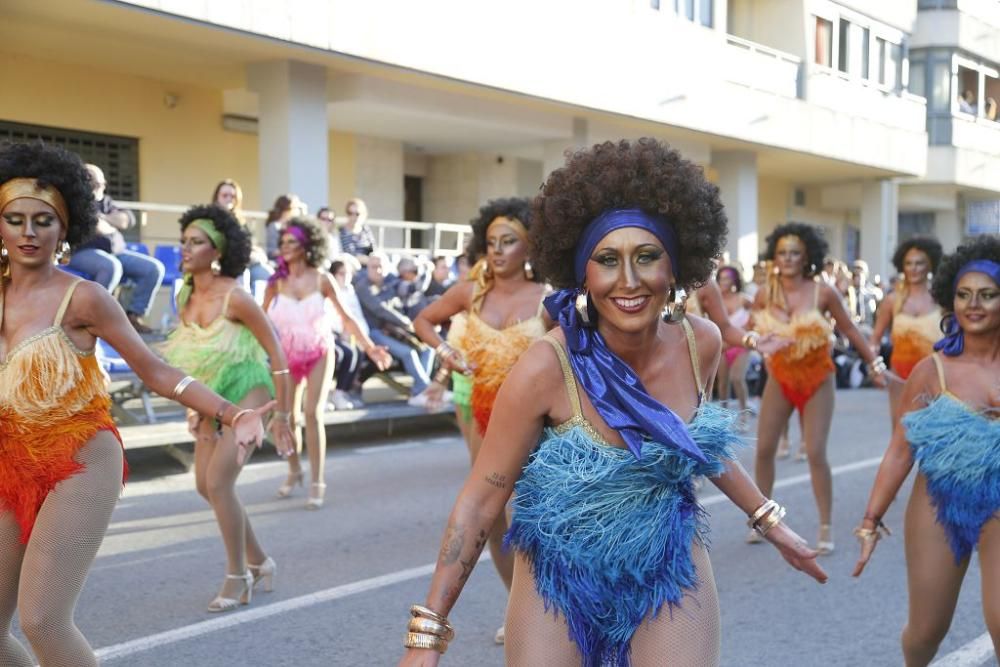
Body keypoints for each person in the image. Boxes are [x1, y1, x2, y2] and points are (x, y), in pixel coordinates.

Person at [398, 139, 826, 667]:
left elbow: (690, 441)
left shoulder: (702, 343)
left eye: (647, 257)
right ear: (582, 273)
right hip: (557, 574)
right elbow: (482, 499)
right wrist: (428, 633)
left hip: (666, 561)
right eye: (607, 260)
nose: (628, 280)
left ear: (677, 268)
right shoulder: (545, 367)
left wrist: (768, 519)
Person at [0, 142, 278, 666]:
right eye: (15, 219)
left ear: (66, 228)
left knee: (42, 620)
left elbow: (157, 370)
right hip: (12, 462)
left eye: (44, 220)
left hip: (80, 458)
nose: (29, 232)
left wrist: (232, 412)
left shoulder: (83, 297)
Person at [853, 235, 1000, 666]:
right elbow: (900, 451)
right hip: (939, 504)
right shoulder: (930, 371)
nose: (974, 305)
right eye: (964, 295)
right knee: (925, 631)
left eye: (988, 296)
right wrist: (869, 521)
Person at [412, 197, 549, 644]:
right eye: (490, 242)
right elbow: (424, 320)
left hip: (537, 421)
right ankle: (517, 607)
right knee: (490, 516)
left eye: (508, 241)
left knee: (524, 514)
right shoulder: (471, 292)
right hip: (483, 412)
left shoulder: (548, 299)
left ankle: (544, 608)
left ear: (530, 246)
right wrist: (445, 352)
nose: (497, 250)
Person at [159, 204, 296, 613]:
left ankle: (239, 576)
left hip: (250, 393)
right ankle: (260, 559)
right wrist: (196, 408)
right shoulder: (184, 294)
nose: (186, 248)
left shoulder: (236, 297)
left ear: (216, 250)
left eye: (196, 242)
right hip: (213, 399)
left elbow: (278, 355)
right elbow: (194, 361)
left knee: (219, 484)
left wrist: (283, 417)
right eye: (184, 241)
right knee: (206, 485)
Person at [750, 223, 890, 555]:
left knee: (815, 452)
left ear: (807, 256)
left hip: (818, 380)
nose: (787, 258)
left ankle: (825, 525)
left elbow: (851, 331)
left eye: (795, 253)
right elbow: (749, 332)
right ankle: (762, 519)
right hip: (780, 378)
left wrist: (874, 363)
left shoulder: (822, 292)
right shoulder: (764, 293)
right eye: (782, 252)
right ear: (774, 256)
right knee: (765, 448)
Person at [263, 218, 390, 509]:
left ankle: (318, 481)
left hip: (320, 350)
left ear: (308, 246)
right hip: (286, 355)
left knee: (312, 414)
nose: (286, 247)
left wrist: (370, 348)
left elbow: (346, 318)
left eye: (292, 242)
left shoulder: (322, 278)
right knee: (286, 417)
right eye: (283, 243)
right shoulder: (276, 282)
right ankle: (294, 470)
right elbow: (259, 319)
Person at [66, 163, 165, 333]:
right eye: (97, 182)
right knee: (111, 266)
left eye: (102, 183)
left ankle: (132, 317)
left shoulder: (106, 202)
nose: (101, 186)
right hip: (83, 253)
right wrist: (110, 223)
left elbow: (126, 220)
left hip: (116, 252)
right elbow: (97, 227)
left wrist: (104, 218)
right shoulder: (77, 201)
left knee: (153, 268)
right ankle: (92, 318)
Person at [868, 237, 944, 424]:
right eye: (909, 263)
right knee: (901, 434)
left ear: (930, 265)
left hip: (935, 376)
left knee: (933, 433)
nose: (914, 268)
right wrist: (875, 367)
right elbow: (875, 339)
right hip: (899, 377)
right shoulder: (892, 301)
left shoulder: (942, 300)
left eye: (920, 263)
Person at [355, 252, 436, 405]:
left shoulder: (391, 281)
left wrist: (426, 271)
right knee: (409, 353)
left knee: (428, 349)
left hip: (396, 331)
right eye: (373, 267)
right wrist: (405, 322)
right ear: (367, 268)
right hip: (373, 333)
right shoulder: (363, 286)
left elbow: (414, 288)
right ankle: (427, 390)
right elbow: (380, 309)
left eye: (380, 266)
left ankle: (419, 390)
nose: (377, 270)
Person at [211, 179, 273, 287]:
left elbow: (249, 243)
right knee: (241, 275)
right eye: (225, 195)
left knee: (268, 275)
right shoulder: (210, 219)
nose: (229, 199)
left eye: (232, 196)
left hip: (246, 261)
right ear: (217, 197)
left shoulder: (241, 220)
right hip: (222, 263)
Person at [715, 264, 754, 417]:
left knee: (737, 378)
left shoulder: (744, 299)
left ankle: (744, 414)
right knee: (723, 384)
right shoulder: (715, 302)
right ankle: (723, 418)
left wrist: (751, 329)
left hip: (741, 346)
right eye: (721, 278)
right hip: (723, 347)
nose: (724, 282)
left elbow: (758, 314)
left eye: (727, 278)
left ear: (734, 281)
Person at [328, 258, 366, 409]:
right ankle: (325, 395)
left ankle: (341, 392)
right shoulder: (327, 289)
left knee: (356, 352)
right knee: (343, 353)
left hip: (345, 334)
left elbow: (356, 316)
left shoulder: (350, 292)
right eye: (341, 273)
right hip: (328, 334)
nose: (345, 277)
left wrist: (359, 336)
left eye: (348, 273)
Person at [265, 194, 303, 262]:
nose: (298, 211)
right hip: (278, 262)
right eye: (296, 208)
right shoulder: (274, 226)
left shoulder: (294, 225)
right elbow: (272, 251)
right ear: (287, 208)